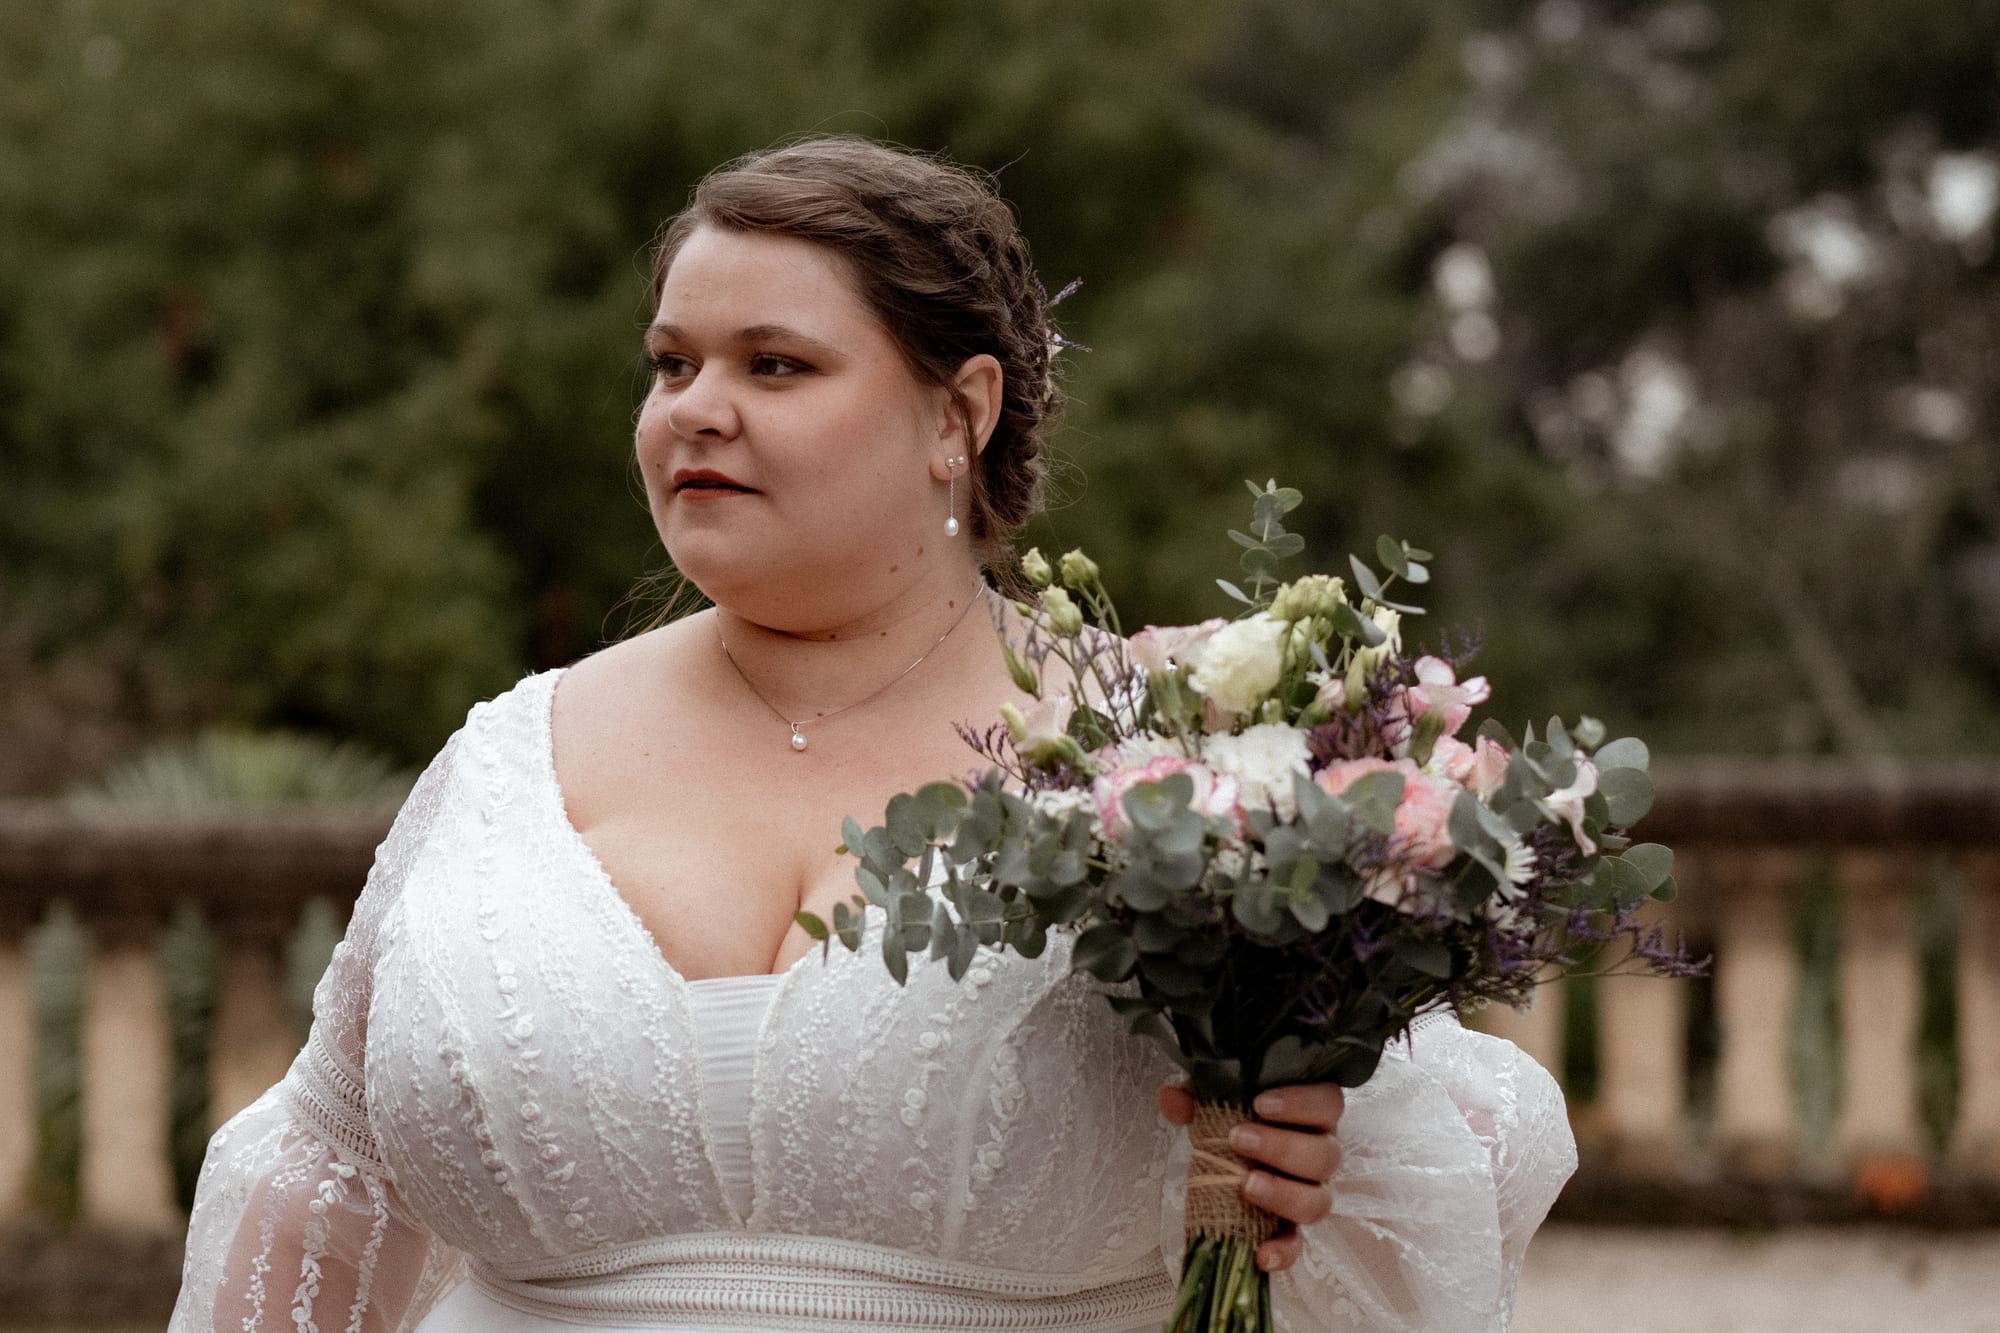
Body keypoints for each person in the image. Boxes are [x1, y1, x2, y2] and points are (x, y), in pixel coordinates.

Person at [169, 136, 1575, 1333]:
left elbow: (1445, 1161)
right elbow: (325, 1171)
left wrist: (1309, 1151)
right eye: (671, 364)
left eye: (774, 364)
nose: (695, 411)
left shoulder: (1178, 758)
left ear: (958, 414)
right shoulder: (503, 760)